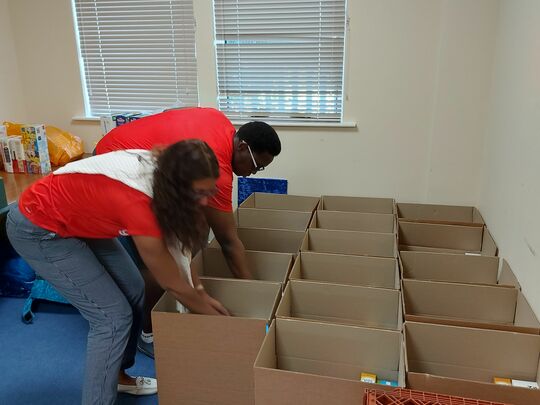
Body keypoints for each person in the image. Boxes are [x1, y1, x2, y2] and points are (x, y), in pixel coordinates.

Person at [6, 140, 229, 405]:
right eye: (198, 193)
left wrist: (200, 291)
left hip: (81, 216)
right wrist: (223, 327)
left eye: (208, 191)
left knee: (134, 288)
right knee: (111, 318)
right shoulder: (139, 203)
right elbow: (171, 282)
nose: (204, 200)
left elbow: (181, 247)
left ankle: (119, 376)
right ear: (179, 186)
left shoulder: (167, 172)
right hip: (39, 228)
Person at [95, 107, 281, 357]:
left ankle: (177, 300)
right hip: (116, 168)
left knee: (191, 233)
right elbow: (228, 241)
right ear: (241, 147)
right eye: (256, 165)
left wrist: (196, 285)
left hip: (127, 153)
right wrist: (253, 297)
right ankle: (147, 333)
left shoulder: (220, 122)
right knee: (152, 266)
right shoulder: (219, 170)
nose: (253, 173)